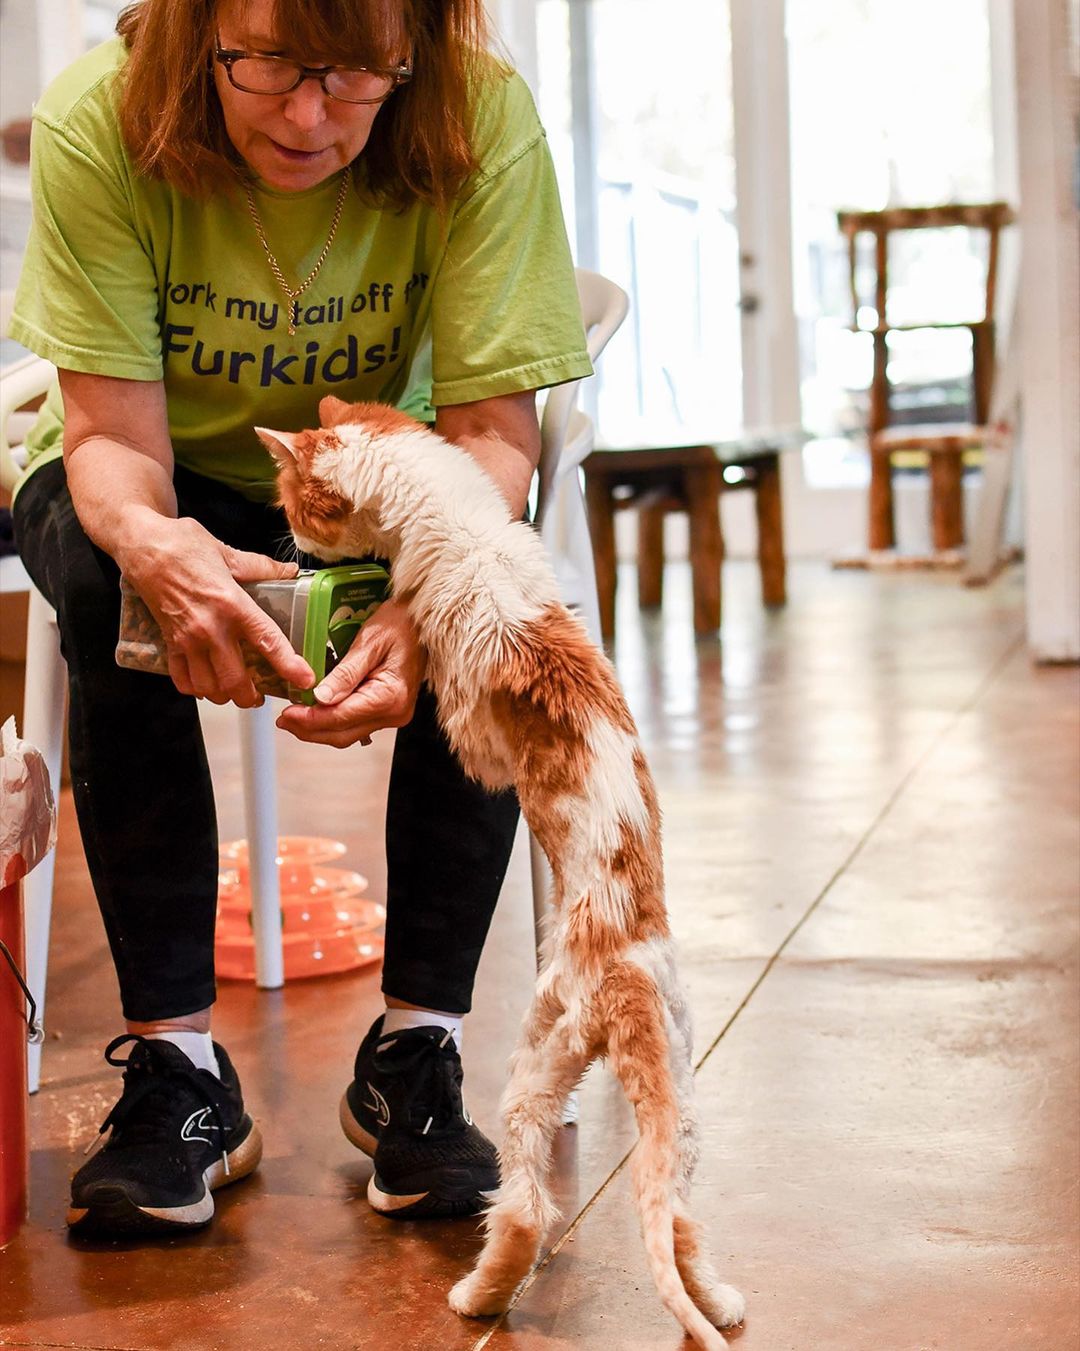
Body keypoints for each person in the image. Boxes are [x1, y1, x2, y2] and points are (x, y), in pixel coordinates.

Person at [10, 0, 591, 1236]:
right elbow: (112, 437)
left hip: (382, 475)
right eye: (268, 61)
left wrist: (435, 593)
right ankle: (178, 1075)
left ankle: (417, 1059)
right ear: (200, 26)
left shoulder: (479, 114)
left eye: (355, 72)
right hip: (159, 470)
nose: (310, 113)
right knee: (97, 563)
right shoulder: (99, 119)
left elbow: (491, 434)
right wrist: (160, 548)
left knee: (491, 588)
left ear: (414, 47)